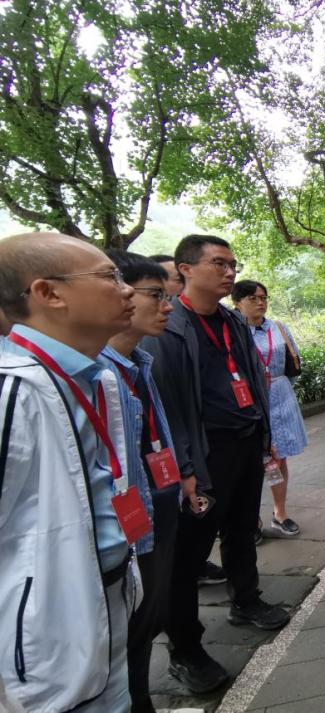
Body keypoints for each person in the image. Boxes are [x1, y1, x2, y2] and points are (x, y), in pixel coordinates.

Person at [142, 234, 288, 695]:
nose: (229, 272)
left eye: (232, 264)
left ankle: (246, 600)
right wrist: (185, 468)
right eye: (219, 264)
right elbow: (167, 407)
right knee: (187, 557)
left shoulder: (231, 320)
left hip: (244, 442)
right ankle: (185, 650)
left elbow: (252, 380)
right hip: (203, 458)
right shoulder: (168, 327)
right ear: (186, 269)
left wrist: (264, 434)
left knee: (243, 529)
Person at [0, 232, 138, 712]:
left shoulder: (98, 376)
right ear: (48, 293)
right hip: (45, 632)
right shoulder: (12, 390)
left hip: (109, 594)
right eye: (110, 277)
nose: (127, 289)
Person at [99, 251, 192, 713]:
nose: (167, 304)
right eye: (156, 294)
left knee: (147, 619)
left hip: (158, 505)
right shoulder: (94, 374)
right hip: (128, 524)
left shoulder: (138, 363)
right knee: (129, 628)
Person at [152, 253, 225, 586]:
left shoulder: (221, 321)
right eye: (155, 292)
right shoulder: (158, 341)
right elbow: (173, 409)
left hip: (203, 450)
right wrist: (184, 466)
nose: (167, 302)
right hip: (180, 462)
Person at [232, 280, 308, 537]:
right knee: (251, 462)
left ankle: (280, 513)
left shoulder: (278, 327)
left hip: (280, 395)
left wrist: (278, 385)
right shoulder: (233, 332)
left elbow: (293, 360)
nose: (260, 302)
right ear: (237, 302)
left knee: (280, 457)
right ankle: (250, 520)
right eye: (252, 298)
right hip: (250, 401)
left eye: (263, 297)